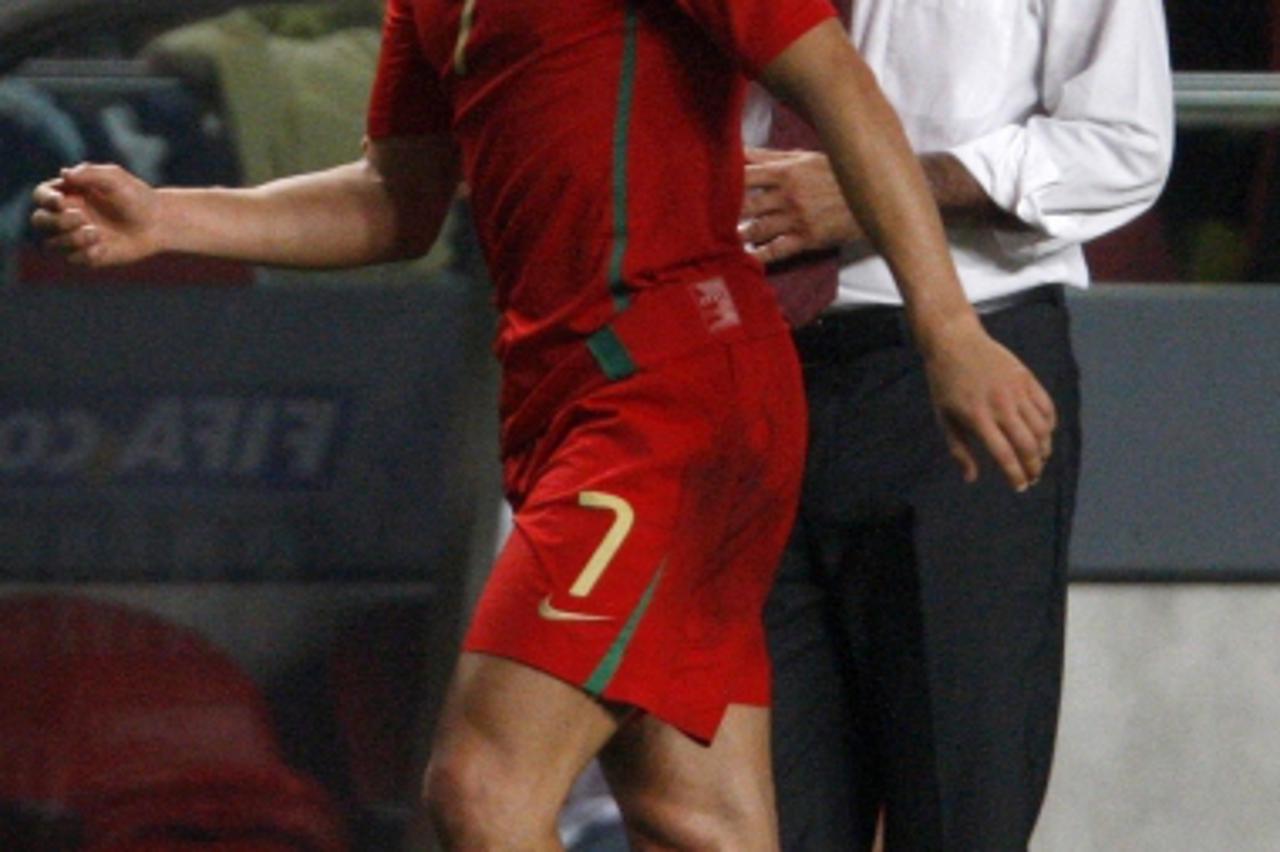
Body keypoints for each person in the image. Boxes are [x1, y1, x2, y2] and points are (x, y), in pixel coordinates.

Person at [31, 0, 1055, 847]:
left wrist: (945, 327)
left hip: (670, 393)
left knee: (482, 784)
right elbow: (399, 198)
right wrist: (169, 218)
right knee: (695, 817)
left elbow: (837, 81)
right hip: (585, 404)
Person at [739, 0, 1174, 849]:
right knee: (765, 822)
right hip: (743, 368)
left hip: (965, 375)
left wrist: (876, 190)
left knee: (958, 808)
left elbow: (1122, 146)